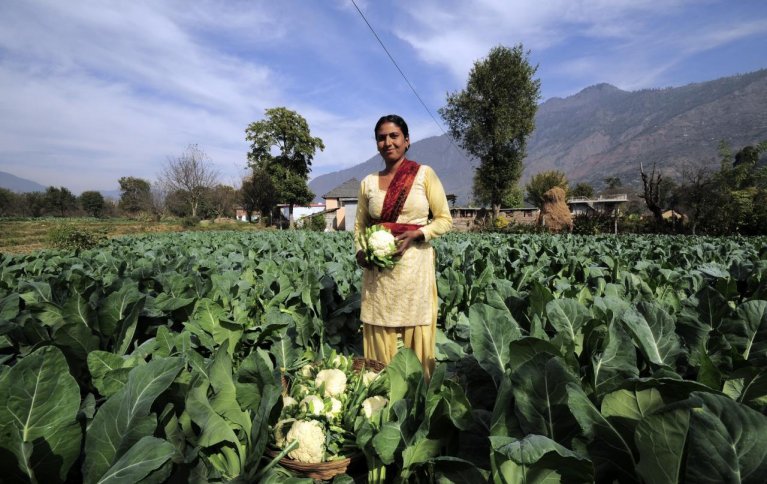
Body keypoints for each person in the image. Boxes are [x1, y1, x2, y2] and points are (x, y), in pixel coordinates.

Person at [354, 114, 452, 380]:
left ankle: (418, 396)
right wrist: (361, 253)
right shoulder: (368, 183)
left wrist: (417, 234)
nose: (388, 142)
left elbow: (444, 220)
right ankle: (380, 396)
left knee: (414, 333)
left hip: (414, 272)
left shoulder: (424, 175)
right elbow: (360, 227)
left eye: (394, 136)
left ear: (407, 141)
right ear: (376, 144)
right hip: (379, 277)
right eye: (382, 137)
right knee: (379, 329)